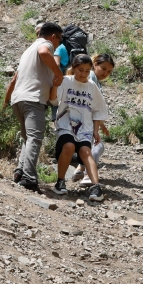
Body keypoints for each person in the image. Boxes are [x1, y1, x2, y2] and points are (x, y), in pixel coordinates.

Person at [4, 23, 64, 192]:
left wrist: (6, 100)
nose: (59, 43)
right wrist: (58, 73)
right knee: (35, 138)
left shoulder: (27, 51)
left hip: (18, 99)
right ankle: (29, 177)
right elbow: (44, 52)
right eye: (60, 39)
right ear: (53, 36)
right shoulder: (46, 45)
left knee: (28, 138)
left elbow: (14, 79)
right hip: (33, 99)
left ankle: (20, 171)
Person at [50, 53, 108, 202]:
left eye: (87, 71)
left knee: (85, 151)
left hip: (85, 127)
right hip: (65, 123)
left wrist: (96, 130)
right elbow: (53, 100)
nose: (84, 74)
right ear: (74, 68)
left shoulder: (92, 86)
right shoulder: (66, 81)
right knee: (68, 146)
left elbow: (98, 110)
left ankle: (96, 186)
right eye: (80, 70)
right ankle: (60, 182)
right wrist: (55, 85)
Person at [71, 52, 115, 185]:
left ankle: (81, 169)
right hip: (83, 119)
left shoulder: (95, 80)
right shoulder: (90, 77)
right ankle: (87, 175)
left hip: (85, 119)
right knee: (94, 146)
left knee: (88, 145)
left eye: (109, 71)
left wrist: (102, 126)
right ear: (95, 64)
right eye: (103, 68)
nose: (105, 73)